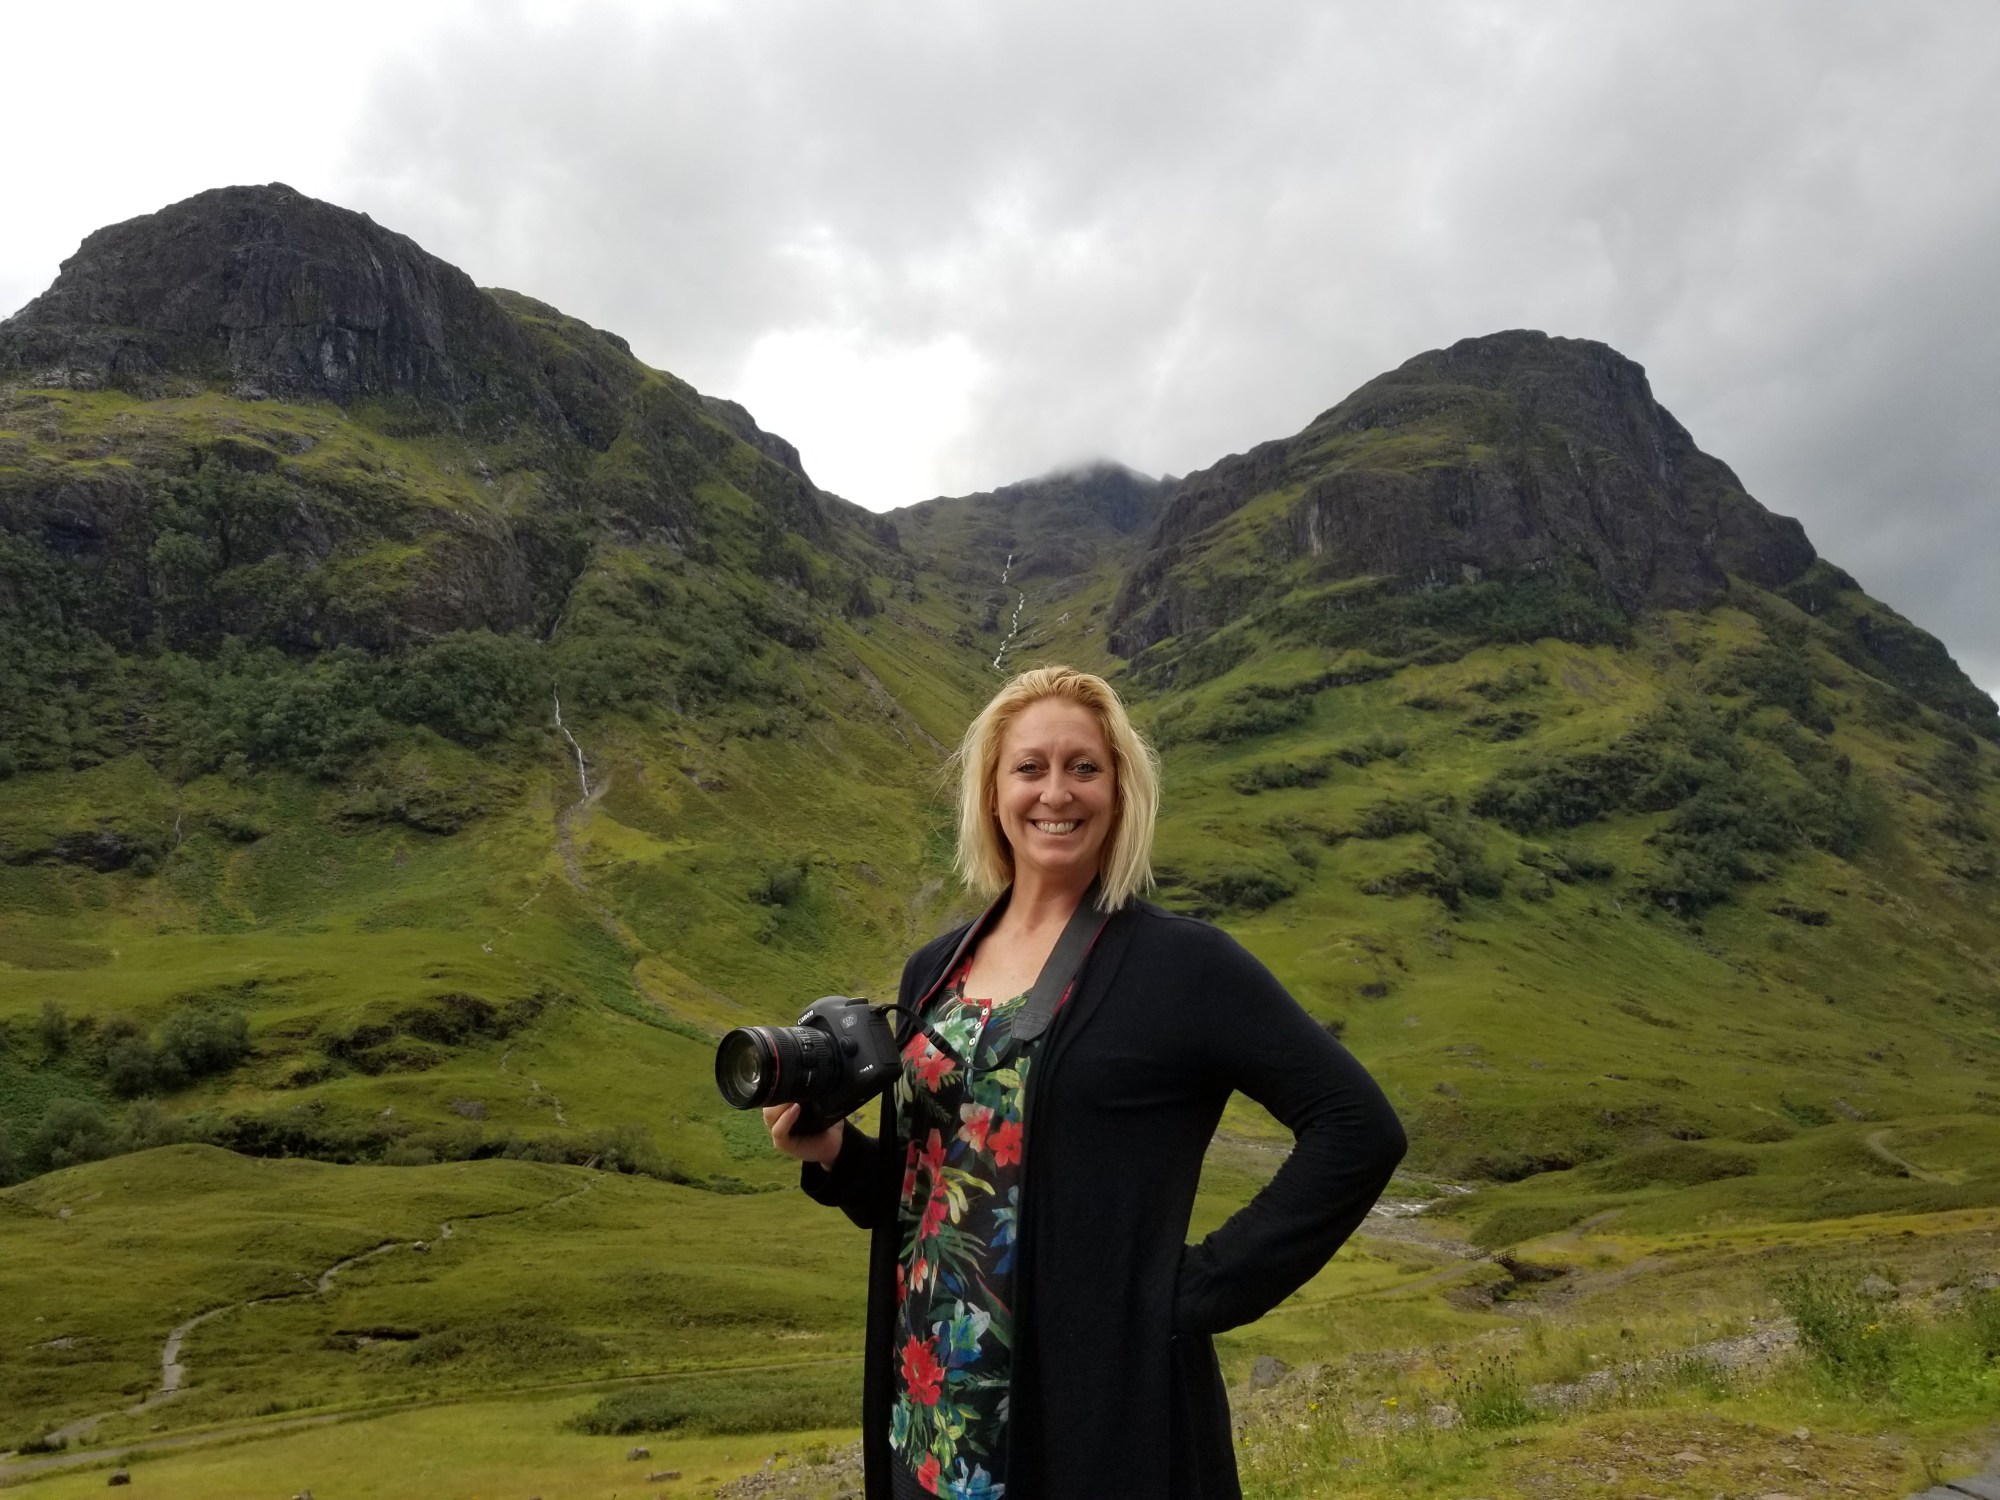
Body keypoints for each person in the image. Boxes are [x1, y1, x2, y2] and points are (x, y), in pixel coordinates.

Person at [766, 665, 1406, 1499]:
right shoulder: (937, 968)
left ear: (1120, 790)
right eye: (1029, 768)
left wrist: (1195, 1292)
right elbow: (942, 1189)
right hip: (929, 1411)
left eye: (1084, 768)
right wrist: (834, 1153)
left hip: (1096, 1416)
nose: (1056, 793)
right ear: (993, 793)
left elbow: (1358, 1129)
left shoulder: (1184, 965)